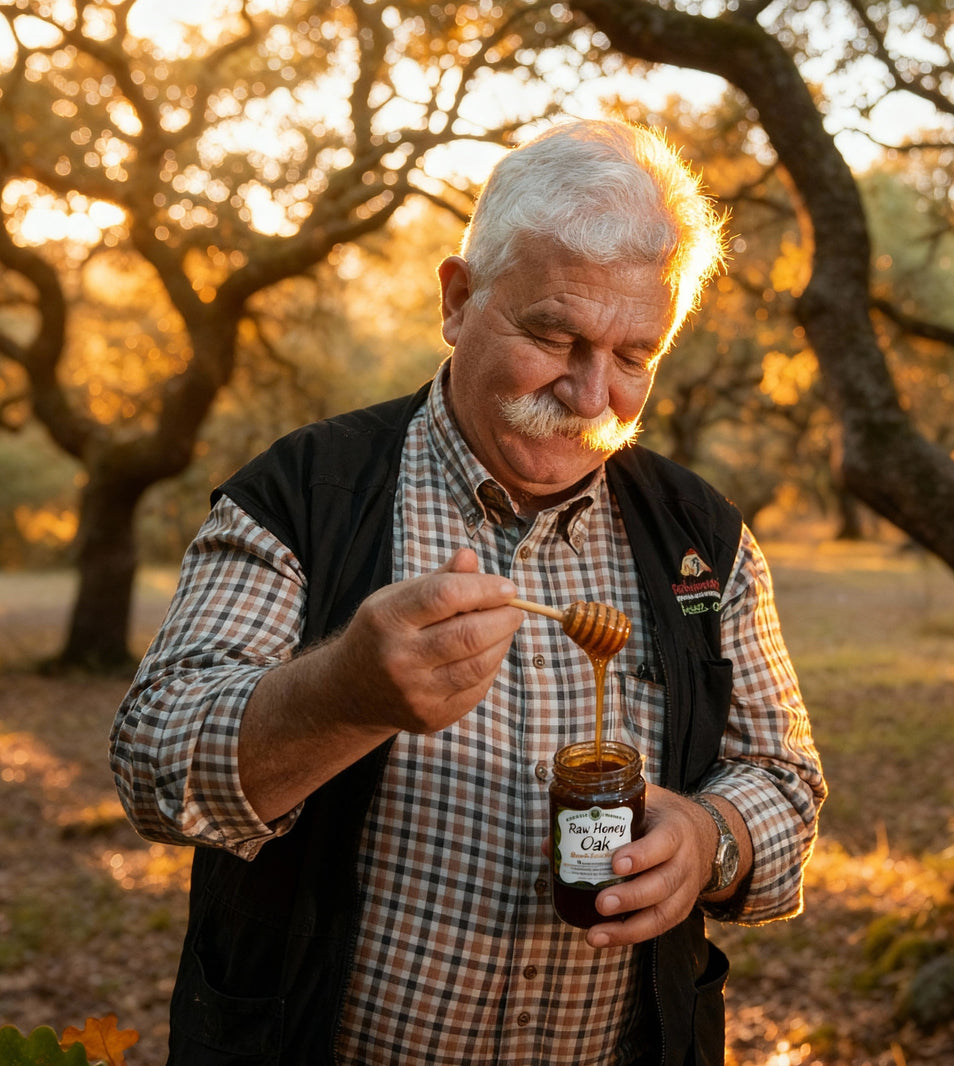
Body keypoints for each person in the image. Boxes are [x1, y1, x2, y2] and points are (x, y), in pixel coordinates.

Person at [111, 118, 826, 1066]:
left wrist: (711, 835)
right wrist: (343, 695)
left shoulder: (704, 541)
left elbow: (786, 784)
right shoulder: (302, 497)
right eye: (555, 336)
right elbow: (154, 765)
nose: (590, 393)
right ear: (456, 299)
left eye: (633, 356)